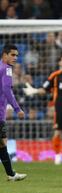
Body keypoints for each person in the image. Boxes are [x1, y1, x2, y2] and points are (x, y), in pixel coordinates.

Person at [23, 54, 62, 165]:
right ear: (60, 63)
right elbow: (45, 89)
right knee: (58, 131)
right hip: (60, 108)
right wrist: (35, 91)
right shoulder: (55, 76)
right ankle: (57, 156)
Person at [0, 44, 26, 181]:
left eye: (17, 55)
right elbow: (7, 90)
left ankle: (11, 174)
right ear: (4, 55)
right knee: (2, 143)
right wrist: (17, 109)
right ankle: (11, 174)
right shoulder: (6, 69)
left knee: (2, 143)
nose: (15, 58)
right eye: (12, 55)